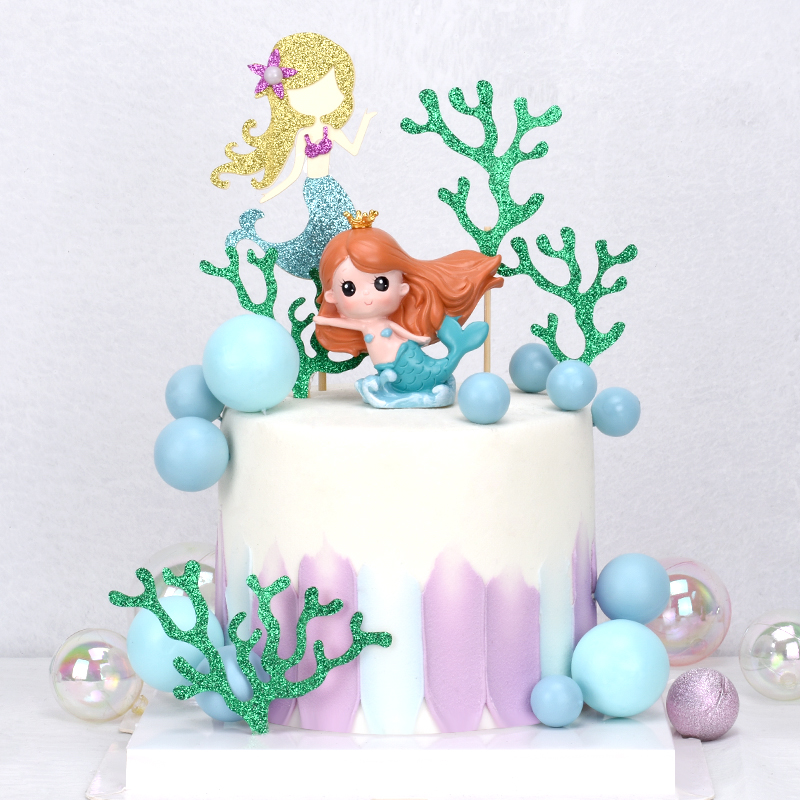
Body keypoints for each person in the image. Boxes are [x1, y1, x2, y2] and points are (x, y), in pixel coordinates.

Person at [211, 32, 376, 280]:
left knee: (345, 227)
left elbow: (353, 148)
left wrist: (365, 122)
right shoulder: (302, 135)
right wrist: (272, 193)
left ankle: (345, 270)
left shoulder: (330, 129)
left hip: (331, 187)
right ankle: (323, 268)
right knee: (321, 230)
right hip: (313, 188)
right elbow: (294, 173)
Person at [314, 213, 503, 408]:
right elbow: (343, 322)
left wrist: (419, 339)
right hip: (392, 365)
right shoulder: (365, 325)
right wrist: (323, 320)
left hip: (404, 358)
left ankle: (408, 387)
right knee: (398, 379)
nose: (366, 295)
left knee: (409, 377)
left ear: (402, 287)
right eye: (349, 288)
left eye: (381, 283)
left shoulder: (384, 323)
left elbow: (401, 332)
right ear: (332, 296)